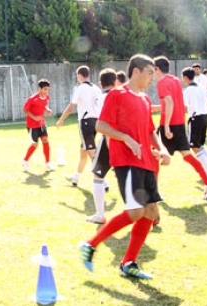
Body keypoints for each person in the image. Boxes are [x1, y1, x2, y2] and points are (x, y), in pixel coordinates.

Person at [80, 54, 170, 280]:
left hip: (147, 161)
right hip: (126, 161)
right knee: (135, 210)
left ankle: (129, 262)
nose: (153, 78)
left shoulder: (145, 100)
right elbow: (101, 125)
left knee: (149, 212)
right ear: (136, 71)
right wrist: (126, 138)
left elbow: (149, 130)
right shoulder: (116, 95)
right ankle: (90, 245)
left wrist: (162, 148)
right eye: (150, 73)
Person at [153, 56, 207, 200]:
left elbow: (169, 103)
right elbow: (177, 102)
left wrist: (167, 126)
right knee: (188, 156)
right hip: (180, 124)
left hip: (168, 124)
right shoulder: (175, 80)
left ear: (157, 69)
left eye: (153, 69)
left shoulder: (161, 82)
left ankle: (154, 193)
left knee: (154, 155)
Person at [56, 65, 102, 185]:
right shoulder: (96, 88)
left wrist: (61, 119)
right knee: (83, 151)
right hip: (95, 121)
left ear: (79, 75)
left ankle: (103, 181)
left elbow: (71, 107)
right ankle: (76, 177)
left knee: (92, 153)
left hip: (85, 122)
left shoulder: (79, 88)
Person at [86, 68, 117, 224]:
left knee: (98, 175)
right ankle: (147, 209)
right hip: (127, 139)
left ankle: (100, 214)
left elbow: (103, 123)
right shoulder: (122, 95)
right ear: (115, 81)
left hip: (110, 139)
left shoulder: (102, 99)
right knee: (130, 177)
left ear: (100, 83)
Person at [181, 67, 207, 176]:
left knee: (193, 146)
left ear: (185, 77)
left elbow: (183, 106)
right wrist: (205, 109)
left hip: (195, 118)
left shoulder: (188, 90)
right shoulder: (201, 87)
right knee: (199, 144)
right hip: (204, 117)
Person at [22, 78, 54, 172]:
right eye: (45, 89)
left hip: (41, 123)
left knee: (45, 140)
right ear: (39, 88)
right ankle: (25, 160)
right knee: (35, 144)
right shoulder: (32, 99)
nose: (46, 91)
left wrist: (47, 109)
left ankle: (48, 162)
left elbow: (42, 105)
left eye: (48, 89)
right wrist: (34, 117)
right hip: (32, 125)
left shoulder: (47, 97)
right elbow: (25, 110)